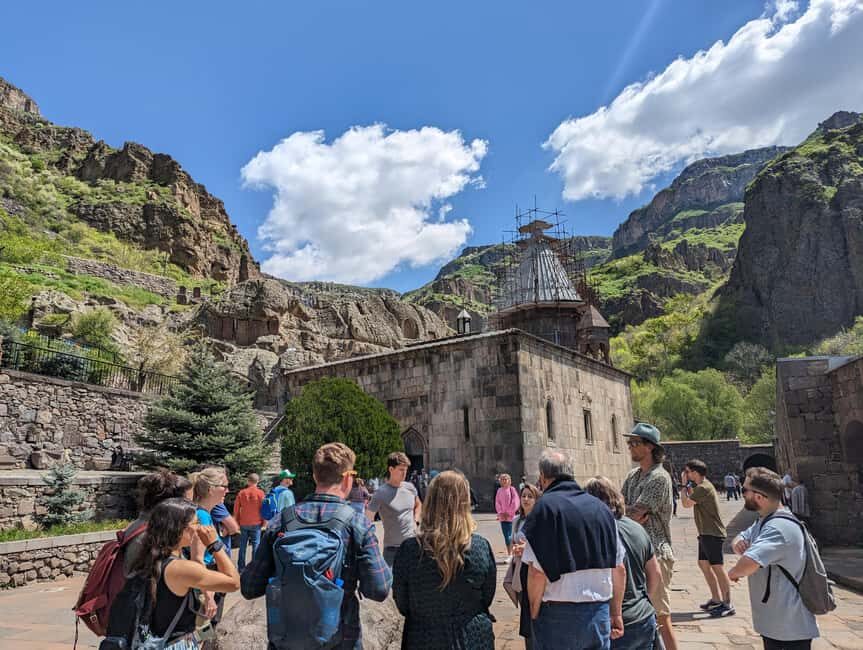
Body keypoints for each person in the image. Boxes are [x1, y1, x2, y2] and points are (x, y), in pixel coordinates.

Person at [242, 442, 391, 649]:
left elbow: (249, 587)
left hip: (287, 641)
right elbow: (379, 589)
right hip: (340, 640)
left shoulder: (281, 521)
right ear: (348, 478)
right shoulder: (357, 524)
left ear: (314, 476)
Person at [521, 450, 625, 649]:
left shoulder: (545, 509)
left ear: (542, 477)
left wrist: (533, 613)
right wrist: (616, 613)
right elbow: (619, 568)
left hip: (558, 616)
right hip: (598, 612)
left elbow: (536, 573)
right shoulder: (601, 509)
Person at [106, 498, 240, 646]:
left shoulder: (148, 556)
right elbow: (234, 582)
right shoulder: (180, 568)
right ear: (180, 529)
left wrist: (197, 557)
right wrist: (214, 544)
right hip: (173, 643)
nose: (200, 528)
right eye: (196, 523)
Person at [393, 471, 496, 649]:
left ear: (430, 501)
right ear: (465, 502)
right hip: (471, 636)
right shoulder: (480, 547)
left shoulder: (409, 550)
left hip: (424, 637)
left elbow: (402, 602)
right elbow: (487, 596)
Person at [728, 468, 820, 649]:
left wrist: (733, 572)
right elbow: (741, 537)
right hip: (776, 622)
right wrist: (738, 542)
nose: (742, 493)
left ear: (759, 497)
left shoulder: (778, 528)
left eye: (745, 490)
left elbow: (749, 563)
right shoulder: (764, 520)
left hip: (789, 626)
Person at [586, 476, 662, 650]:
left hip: (613, 622)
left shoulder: (597, 531)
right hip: (643, 617)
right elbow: (655, 573)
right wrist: (643, 599)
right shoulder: (637, 528)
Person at [621, 422, 678, 650]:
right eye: (629, 443)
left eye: (634, 443)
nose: (630, 447)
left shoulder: (659, 477)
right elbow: (620, 507)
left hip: (656, 550)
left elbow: (635, 512)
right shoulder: (634, 475)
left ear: (650, 447)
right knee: (644, 615)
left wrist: (628, 512)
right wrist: (628, 512)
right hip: (635, 552)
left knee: (660, 615)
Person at [680, 459, 735, 617]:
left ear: (695, 473)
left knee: (717, 567)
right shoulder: (701, 487)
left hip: (713, 533)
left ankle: (727, 603)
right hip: (705, 533)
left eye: (688, 471)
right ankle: (716, 599)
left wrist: (684, 486)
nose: (686, 474)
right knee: (704, 564)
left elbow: (686, 504)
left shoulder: (704, 487)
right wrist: (689, 487)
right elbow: (693, 498)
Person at [122, 470, 193, 576]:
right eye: (187, 502)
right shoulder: (150, 536)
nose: (192, 506)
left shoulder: (146, 527)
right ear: (172, 504)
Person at [191, 467, 234, 620]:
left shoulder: (203, 514)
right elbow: (198, 559)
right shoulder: (201, 516)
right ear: (211, 489)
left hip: (207, 579)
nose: (227, 491)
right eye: (224, 486)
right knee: (204, 632)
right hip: (205, 583)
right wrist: (209, 596)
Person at [366, 451, 422, 567]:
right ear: (391, 469)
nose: (404, 473)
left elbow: (418, 504)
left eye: (405, 470)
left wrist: (416, 520)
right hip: (392, 550)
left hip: (412, 545)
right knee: (390, 584)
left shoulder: (410, 488)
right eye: (401, 470)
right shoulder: (380, 493)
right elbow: (367, 519)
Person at [510, 483, 540, 650]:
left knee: (534, 616)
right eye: (524, 496)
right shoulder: (517, 520)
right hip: (520, 572)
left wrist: (526, 549)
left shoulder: (539, 521)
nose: (526, 499)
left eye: (530, 496)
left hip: (534, 572)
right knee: (525, 616)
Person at [233, 472, 265, 572]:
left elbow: (236, 509)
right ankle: (254, 568)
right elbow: (263, 509)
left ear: (248, 481)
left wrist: (236, 522)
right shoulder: (260, 493)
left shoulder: (242, 493)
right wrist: (264, 522)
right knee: (256, 545)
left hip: (244, 523)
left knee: (242, 546)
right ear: (257, 481)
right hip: (256, 523)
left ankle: (241, 568)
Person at [496, 473, 520, 557]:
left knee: (511, 536)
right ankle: (509, 553)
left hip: (511, 517)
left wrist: (509, 512)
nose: (504, 481)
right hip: (503, 517)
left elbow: (515, 501)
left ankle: (513, 553)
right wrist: (501, 512)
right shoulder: (499, 490)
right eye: (502, 479)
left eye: (506, 479)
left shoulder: (512, 489)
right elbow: (497, 502)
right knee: (506, 536)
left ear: (509, 481)